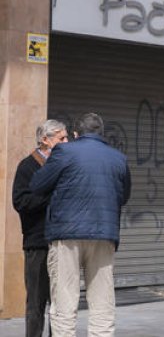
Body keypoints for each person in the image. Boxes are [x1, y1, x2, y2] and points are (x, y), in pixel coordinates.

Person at [30, 113, 131, 337]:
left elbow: (37, 185)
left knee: (65, 301)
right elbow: (123, 196)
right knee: (102, 301)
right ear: (101, 133)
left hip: (67, 235)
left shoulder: (64, 151)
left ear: (76, 134)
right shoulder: (118, 158)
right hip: (104, 235)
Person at [11, 120, 69, 337]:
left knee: (60, 303)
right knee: (36, 302)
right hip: (37, 243)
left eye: (66, 137)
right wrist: (49, 198)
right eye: (61, 138)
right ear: (45, 140)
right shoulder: (27, 166)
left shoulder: (63, 165)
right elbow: (21, 202)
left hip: (62, 242)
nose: (66, 141)